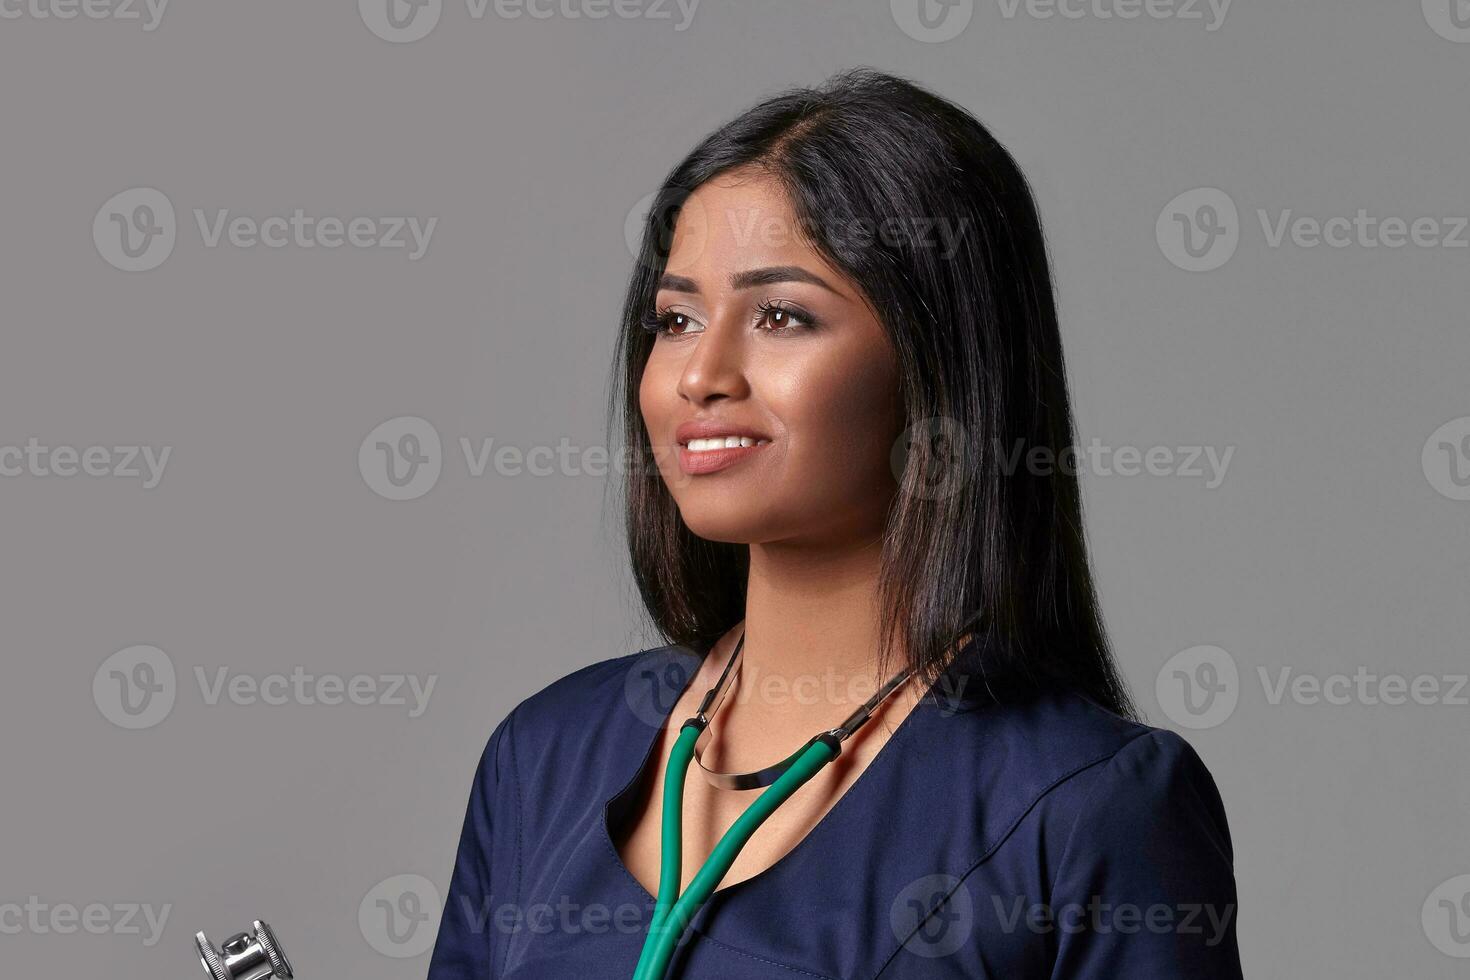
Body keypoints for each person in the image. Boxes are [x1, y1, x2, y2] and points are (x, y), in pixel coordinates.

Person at [427, 66, 1243, 979]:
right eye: (676, 319)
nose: (701, 375)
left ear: (939, 370)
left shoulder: (1089, 809)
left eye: (781, 316)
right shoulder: (542, 759)